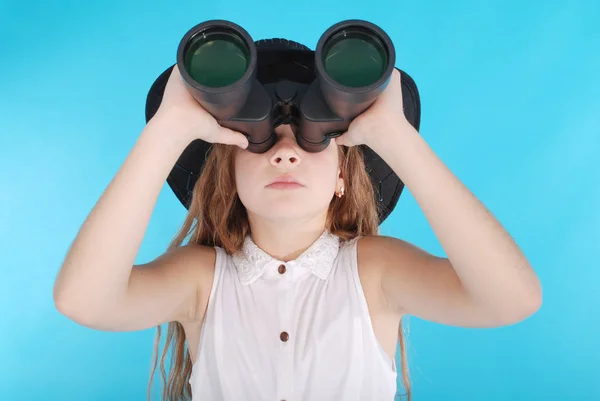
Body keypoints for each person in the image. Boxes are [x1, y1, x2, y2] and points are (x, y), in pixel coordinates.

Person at [53, 43, 542, 401]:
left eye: (312, 140)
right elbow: (84, 301)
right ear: (227, 174)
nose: (286, 153)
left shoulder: (374, 271)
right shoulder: (201, 279)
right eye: (261, 141)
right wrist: (167, 131)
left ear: (343, 178)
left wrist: (398, 140)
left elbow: (510, 300)